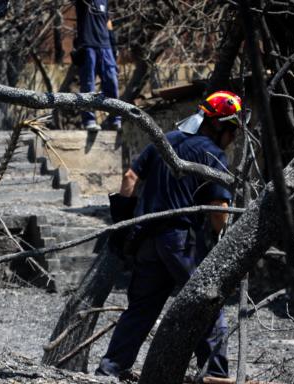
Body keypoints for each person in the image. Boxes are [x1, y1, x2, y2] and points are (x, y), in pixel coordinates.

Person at [96, 91, 249, 379]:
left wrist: (123, 223)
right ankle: (215, 375)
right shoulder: (211, 155)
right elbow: (219, 207)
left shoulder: (165, 141)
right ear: (220, 125)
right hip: (181, 242)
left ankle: (110, 369)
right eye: (233, 132)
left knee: (141, 309)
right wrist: (222, 240)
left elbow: (129, 178)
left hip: (146, 240)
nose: (233, 140)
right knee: (208, 306)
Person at [74, 0, 121, 132]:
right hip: (88, 45)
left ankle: (115, 119)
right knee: (88, 85)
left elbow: (107, 22)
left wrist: (113, 44)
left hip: (105, 47)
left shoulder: (104, 1)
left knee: (112, 83)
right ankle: (89, 120)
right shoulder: (83, 3)